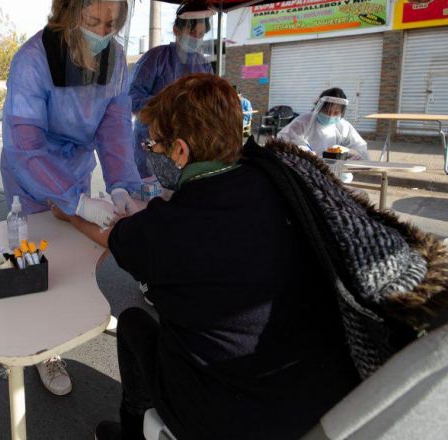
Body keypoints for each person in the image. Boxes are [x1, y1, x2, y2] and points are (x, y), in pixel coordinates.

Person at [54, 74, 447, 440]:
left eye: (153, 144)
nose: (151, 152)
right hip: (329, 402)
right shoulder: (279, 181)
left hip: (229, 419)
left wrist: (68, 210)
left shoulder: (165, 231)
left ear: (179, 150)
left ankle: (134, 428)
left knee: (136, 324)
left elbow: (109, 234)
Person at [0, 0, 142, 396]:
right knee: (34, 258)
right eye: (95, 20)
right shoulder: (32, 60)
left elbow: (115, 126)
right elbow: (25, 144)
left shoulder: (115, 59)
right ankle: (44, 349)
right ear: (70, 10)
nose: (103, 31)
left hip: (76, 168)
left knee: (80, 251)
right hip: (31, 174)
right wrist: (71, 198)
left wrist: (123, 184)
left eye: (112, 23)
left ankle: (82, 310)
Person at [128, 0, 214, 179]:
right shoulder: (156, 58)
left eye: (200, 35)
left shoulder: (203, 64)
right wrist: (167, 106)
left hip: (188, 145)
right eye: (192, 33)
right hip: (152, 142)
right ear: (176, 30)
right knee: (150, 191)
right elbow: (131, 97)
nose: (196, 39)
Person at [277, 87, 369, 159]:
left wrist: (353, 155)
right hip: (305, 165)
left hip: (335, 168)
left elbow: (359, 146)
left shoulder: (343, 126)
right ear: (318, 108)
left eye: (336, 113)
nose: (331, 116)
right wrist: (306, 153)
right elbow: (284, 140)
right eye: (327, 111)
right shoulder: (303, 121)